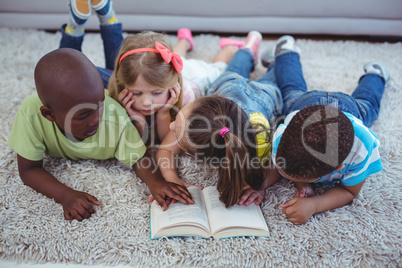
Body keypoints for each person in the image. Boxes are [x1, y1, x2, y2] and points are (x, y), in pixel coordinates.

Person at [7, 48, 194, 221]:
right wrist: (64, 195)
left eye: (100, 105)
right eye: (83, 115)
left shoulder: (114, 115)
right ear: (49, 114)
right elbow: (28, 170)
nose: (97, 119)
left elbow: (138, 157)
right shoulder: (30, 113)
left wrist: (156, 182)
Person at [263, 35, 389, 225]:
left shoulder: (362, 149)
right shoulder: (283, 136)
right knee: (291, 91)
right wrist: (296, 182)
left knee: (368, 105)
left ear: (338, 168)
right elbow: (281, 166)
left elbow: (349, 191)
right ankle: (286, 53)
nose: (279, 169)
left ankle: (376, 75)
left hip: (348, 109)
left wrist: (315, 205)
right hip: (304, 108)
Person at [156, 31, 284, 208]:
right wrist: (172, 178)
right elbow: (165, 151)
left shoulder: (256, 140)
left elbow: (279, 162)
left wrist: (261, 185)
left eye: (177, 131)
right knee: (238, 68)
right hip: (229, 85)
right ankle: (248, 50)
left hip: (262, 96)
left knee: (275, 76)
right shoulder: (195, 125)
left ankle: (274, 55)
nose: (170, 126)